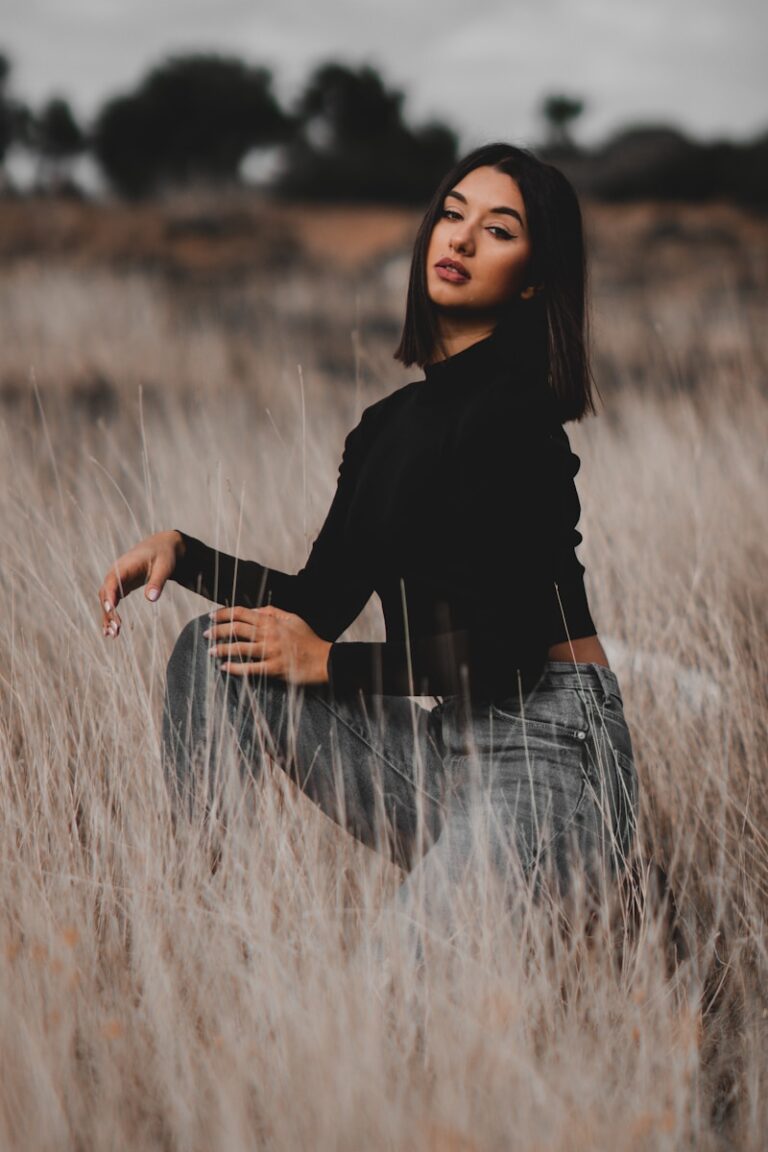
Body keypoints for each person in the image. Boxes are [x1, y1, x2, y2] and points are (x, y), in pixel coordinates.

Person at [98, 142, 639, 955]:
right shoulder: (386, 429)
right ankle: (205, 928)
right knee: (218, 653)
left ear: (533, 277)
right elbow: (316, 609)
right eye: (451, 216)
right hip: (445, 749)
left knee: (391, 992)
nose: (457, 240)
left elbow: (508, 654)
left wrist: (331, 665)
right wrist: (189, 554)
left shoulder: (520, 412)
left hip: (552, 752)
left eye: (497, 230)